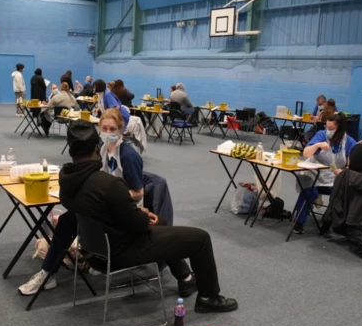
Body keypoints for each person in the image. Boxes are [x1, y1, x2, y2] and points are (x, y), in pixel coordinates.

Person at [18, 120, 238, 313]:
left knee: (162, 225)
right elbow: (140, 225)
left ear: (72, 150)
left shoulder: (66, 181)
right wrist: (140, 213)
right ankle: (208, 297)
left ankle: (186, 278)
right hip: (122, 250)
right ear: (97, 147)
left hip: (96, 250)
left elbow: (94, 210)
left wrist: (134, 213)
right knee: (200, 238)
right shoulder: (107, 184)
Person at [293, 113, 357, 234]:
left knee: (340, 193)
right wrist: (317, 145)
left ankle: (328, 221)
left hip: (334, 177)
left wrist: (344, 171)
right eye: (327, 127)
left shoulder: (349, 142)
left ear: (340, 129)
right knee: (309, 190)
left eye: (331, 129)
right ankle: (299, 221)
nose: (329, 131)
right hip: (315, 174)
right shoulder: (321, 135)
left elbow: (352, 164)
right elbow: (306, 153)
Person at [100, 108, 144, 203]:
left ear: (120, 129)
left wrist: (116, 195)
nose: (108, 133)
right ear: (99, 128)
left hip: (126, 205)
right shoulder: (100, 147)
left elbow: (139, 193)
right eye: (104, 128)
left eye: (112, 129)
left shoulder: (128, 156)